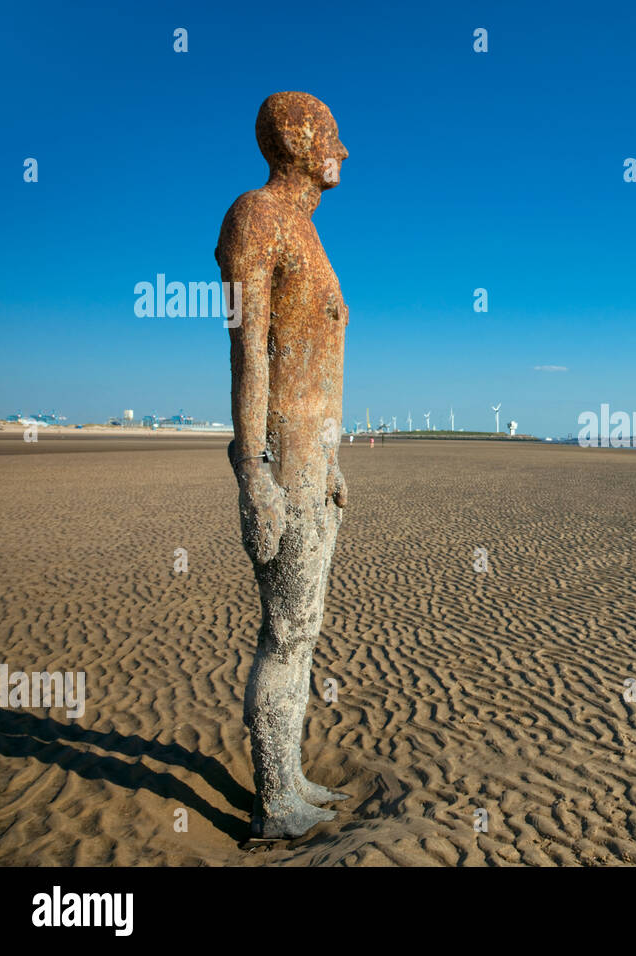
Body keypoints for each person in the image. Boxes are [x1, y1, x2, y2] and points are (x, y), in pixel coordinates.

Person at [217, 91, 351, 840]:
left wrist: (330, 458)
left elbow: (319, 366)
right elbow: (250, 353)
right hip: (280, 455)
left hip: (314, 458)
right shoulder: (256, 217)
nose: (344, 150)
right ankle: (275, 802)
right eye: (332, 134)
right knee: (287, 628)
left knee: (306, 629)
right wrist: (252, 472)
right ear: (295, 139)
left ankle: (291, 775)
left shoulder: (306, 232)